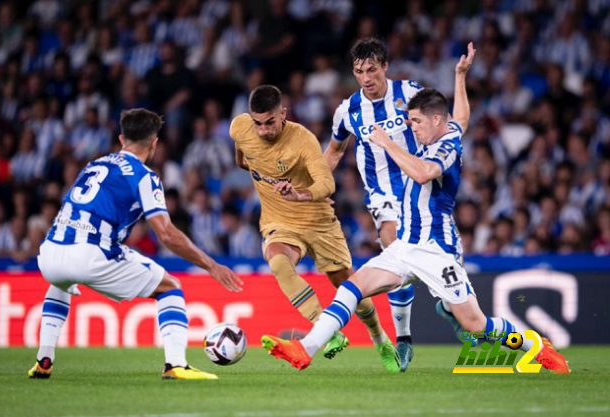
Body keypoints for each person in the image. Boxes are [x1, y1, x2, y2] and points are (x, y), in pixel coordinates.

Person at [261, 48, 570, 375]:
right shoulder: (443, 130)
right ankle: (305, 348)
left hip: (437, 249)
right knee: (354, 287)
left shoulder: (447, 147)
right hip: (407, 243)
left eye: (416, 122)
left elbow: (423, 173)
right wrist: (460, 76)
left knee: (477, 324)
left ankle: (533, 345)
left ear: (436, 120)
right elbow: (461, 117)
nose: (412, 129)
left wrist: (388, 144)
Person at [28, 108, 243, 381]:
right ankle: (176, 364)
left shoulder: (94, 164)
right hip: (92, 253)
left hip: (49, 253)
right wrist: (211, 265)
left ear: (121, 138)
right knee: (170, 287)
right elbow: (165, 234)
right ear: (154, 143)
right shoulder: (145, 176)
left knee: (59, 282)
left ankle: (44, 360)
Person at [230, 85, 399, 373]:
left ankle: (380, 338)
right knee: (279, 262)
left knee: (351, 287)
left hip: (317, 222)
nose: (262, 131)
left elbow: (327, 183)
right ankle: (328, 332)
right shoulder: (240, 129)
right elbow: (243, 160)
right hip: (279, 221)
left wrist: (301, 194)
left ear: (283, 114)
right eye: (257, 123)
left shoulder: (302, 140)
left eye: (270, 122)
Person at [323, 36, 448, 371]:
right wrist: (316, 185)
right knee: (394, 244)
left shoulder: (410, 94)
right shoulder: (348, 110)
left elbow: (441, 127)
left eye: (372, 70)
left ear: (385, 67)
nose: (367, 78)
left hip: (422, 187)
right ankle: (404, 337)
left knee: (433, 258)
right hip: (384, 196)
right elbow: (334, 152)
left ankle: (448, 302)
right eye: (360, 71)